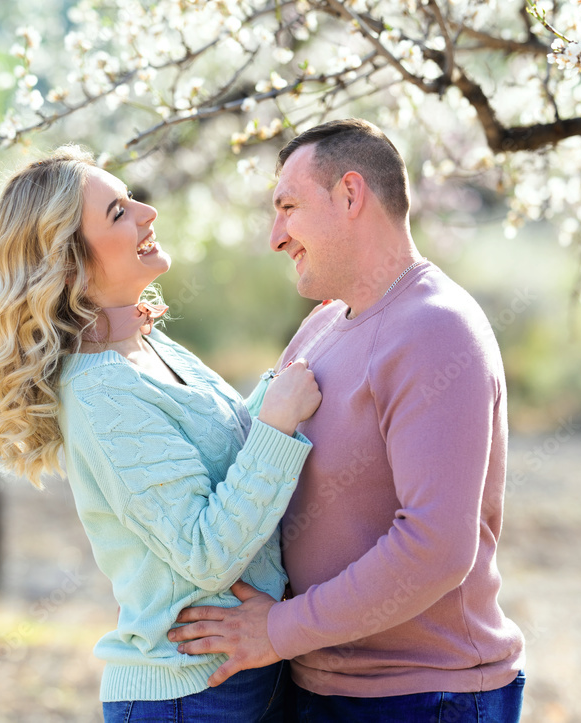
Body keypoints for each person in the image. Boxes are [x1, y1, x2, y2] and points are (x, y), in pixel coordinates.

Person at [0, 144, 323, 722]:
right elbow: (205, 551)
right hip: (188, 695)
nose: (148, 213)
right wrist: (276, 422)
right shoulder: (102, 392)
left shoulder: (147, 347)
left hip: (238, 679)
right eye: (118, 212)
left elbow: (219, 460)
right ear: (69, 264)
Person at [168, 118, 526, 722]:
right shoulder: (320, 327)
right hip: (320, 687)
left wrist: (278, 629)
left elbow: (436, 547)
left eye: (288, 207)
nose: (276, 236)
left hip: (424, 697)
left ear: (351, 195)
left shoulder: (436, 329)